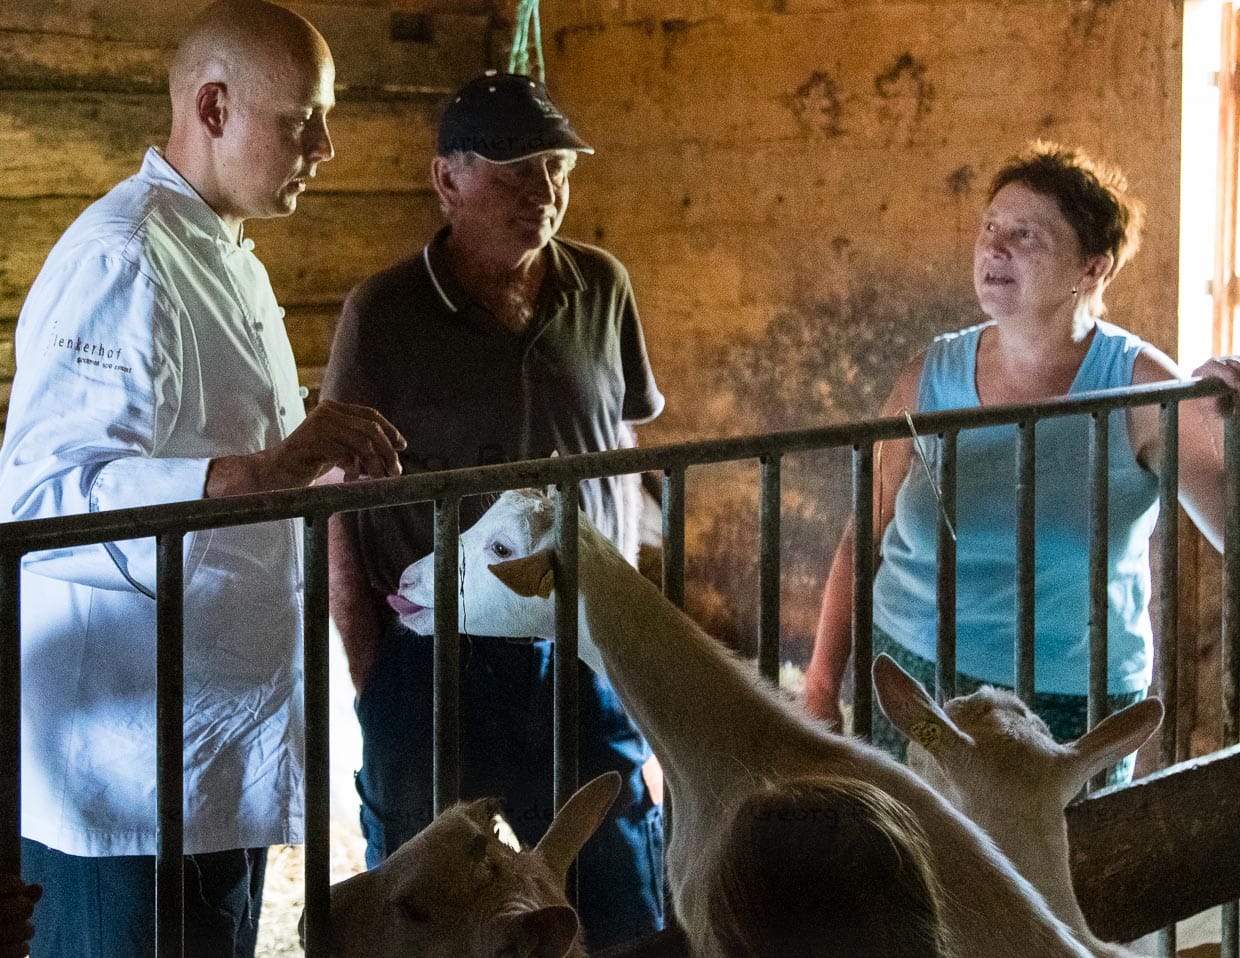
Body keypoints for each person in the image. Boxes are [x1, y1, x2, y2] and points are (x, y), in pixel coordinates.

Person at [0, 2, 405, 955]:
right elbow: (39, 498)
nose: (328, 145)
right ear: (214, 107)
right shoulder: (125, 255)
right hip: (129, 776)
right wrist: (264, 466)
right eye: (301, 118)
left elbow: (221, 462)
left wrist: (298, 456)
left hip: (212, 753)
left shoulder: (227, 258)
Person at [320, 71, 666, 949]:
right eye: (513, 172)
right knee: (421, 911)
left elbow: (623, 460)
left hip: (581, 645)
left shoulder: (602, 286)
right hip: (435, 656)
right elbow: (342, 500)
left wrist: (633, 635)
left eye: (554, 169)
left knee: (620, 888)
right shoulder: (385, 313)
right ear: (447, 181)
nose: (542, 193)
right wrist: (373, 668)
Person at [805, 141, 1239, 783]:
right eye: (989, 228)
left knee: (1060, 871)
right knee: (920, 859)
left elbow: (1231, 529)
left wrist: (1232, 429)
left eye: (1026, 235)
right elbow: (862, 532)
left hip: (1071, 710)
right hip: (920, 692)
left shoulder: (1140, 388)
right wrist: (819, 685)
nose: (994, 247)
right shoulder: (931, 375)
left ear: (1092, 269)